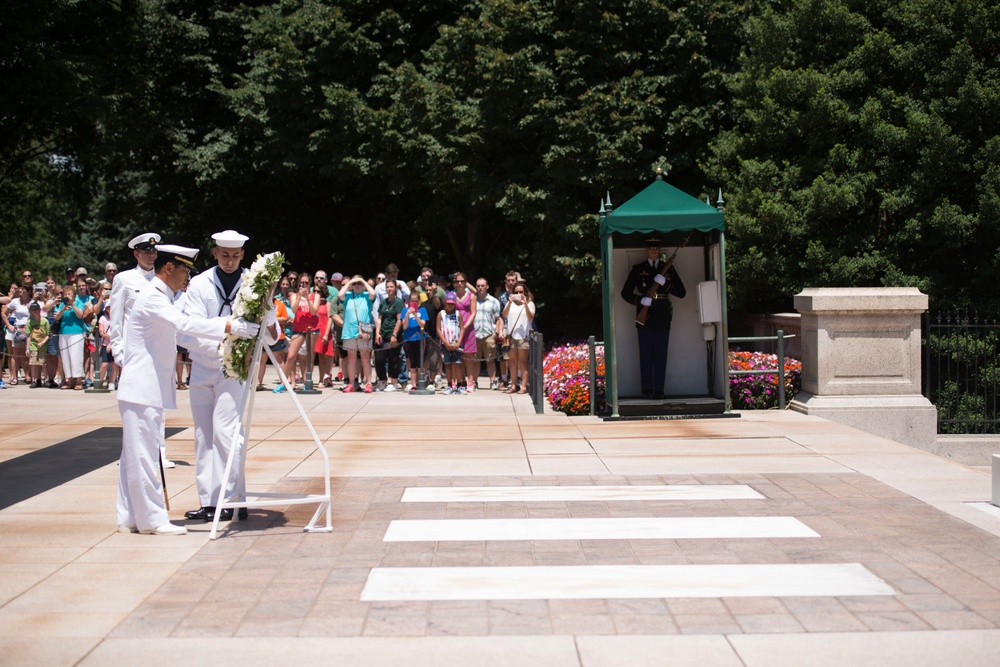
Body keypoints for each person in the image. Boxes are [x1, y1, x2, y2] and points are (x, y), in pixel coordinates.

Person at [116, 244, 259, 536]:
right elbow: (186, 323)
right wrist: (232, 326)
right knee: (143, 456)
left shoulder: (162, 296)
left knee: (134, 455)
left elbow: (187, 320)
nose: (187, 278)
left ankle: (129, 516)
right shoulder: (154, 298)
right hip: (143, 389)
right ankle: (152, 520)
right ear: (169, 269)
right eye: (184, 271)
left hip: (143, 389)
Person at [179, 229, 254, 523]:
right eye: (224, 255)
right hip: (202, 363)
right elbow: (190, 327)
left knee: (227, 431)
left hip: (234, 368)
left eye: (235, 256)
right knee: (203, 435)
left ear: (243, 255)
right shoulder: (199, 284)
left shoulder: (253, 283)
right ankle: (210, 501)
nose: (230, 261)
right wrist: (227, 328)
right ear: (215, 253)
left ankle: (233, 499)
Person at [620, 236, 686, 399]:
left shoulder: (668, 269)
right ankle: (647, 389)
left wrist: (666, 284)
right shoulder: (638, 269)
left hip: (663, 316)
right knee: (646, 354)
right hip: (645, 316)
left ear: (659, 250)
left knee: (661, 355)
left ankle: (659, 390)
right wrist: (640, 300)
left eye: (656, 248)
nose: (653, 251)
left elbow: (682, 292)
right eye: (651, 248)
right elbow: (625, 293)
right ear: (646, 250)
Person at [276, 271, 320, 392]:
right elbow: (294, 309)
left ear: (310, 283)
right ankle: (284, 383)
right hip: (299, 328)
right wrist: (300, 297)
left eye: (306, 283)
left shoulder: (315, 296)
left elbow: (314, 312)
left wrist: (308, 299)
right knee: (291, 356)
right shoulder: (294, 295)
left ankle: (307, 382)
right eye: (302, 283)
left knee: (309, 357)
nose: (304, 285)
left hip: (312, 328)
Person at [338, 274, 375, 393]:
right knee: (351, 358)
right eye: (355, 284)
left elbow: (373, 294)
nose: (357, 286)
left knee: (365, 357)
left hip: (364, 331)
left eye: (359, 284)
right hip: (350, 330)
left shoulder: (366, 296)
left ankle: (368, 382)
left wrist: (363, 281)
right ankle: (351, 382)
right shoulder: (348, 296)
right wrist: (350, 283)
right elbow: (340, 295)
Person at [55, 282, 92, 390]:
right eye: (65, 294)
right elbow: (57, 317)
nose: (67, 296)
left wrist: (73, 305)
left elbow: (81, 315)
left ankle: (79, 380)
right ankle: (69, 380)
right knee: (65, 357)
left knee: (75, 356)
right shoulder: (62, 304)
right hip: (63, 333)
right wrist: (63, 309)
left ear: (74, 294)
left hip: (76, 333)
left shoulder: (79, 302)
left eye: (69, 294)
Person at [502, 280, 535, 394]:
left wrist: (525, 303)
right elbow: (504, 314)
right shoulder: (510, 303)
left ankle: (524, 386)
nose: (519, 294)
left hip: (523, 336)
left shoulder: (530, 304)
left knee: (523, 362)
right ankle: (513, 385)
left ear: (525, 292)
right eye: (516, 292)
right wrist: (510, 302)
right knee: (512, 362)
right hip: (511, 336)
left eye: (521, 291)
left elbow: (530, 317)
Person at [374, 278, 405, 391]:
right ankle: (382, 381)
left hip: (393, 335)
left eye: (391, 287)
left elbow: (399, 319)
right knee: (379, 359)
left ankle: (394, 383)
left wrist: (394, 335)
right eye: (387, 287)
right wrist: (377, 333)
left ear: (395, 287)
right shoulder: (383, 302)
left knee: (394, 359)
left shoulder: (398, 302)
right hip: (383, 334)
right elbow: (379, 319)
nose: (389, 289)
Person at [473, 277, 503, 390]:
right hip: (475, 334)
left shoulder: (494, 301)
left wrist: (496, 333)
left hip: (489, 334)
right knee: (475, 361)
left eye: (482, 285)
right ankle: (474, 382)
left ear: (487, 286)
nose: (480, 288)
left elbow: (498, 319)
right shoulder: (472, 300)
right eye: (478, 286)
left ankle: (492, 381)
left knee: (490, 359)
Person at [450, 272, 478, 391]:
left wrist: (465, 326)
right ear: (454, 283)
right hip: (454, 328)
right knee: (456, 357)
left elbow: (473, 313)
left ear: (466, 282)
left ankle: (471, 382)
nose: (460, 284)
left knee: (468, 356)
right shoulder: (451, 295)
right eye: (457, 281)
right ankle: (459, 381)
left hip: (468, 328)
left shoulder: (471, 295)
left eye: (462, 281)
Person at [438, 292, 465, 394]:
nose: (450, 305)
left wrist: (459, 342)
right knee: (448, 364)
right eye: (448, 303)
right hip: (446, 343)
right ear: (445, 303)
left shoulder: (458, 314)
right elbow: (438, 329)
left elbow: (462, 329)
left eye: (452, 304)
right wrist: (445, 342)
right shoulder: (441, 314)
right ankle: (449, 385)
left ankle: (459, 385)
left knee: (458, 364)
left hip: (456, 343)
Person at [400, 291, 427, 391]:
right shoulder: (404, 310)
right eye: (412, 300)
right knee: (412, 361)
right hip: (409, 338)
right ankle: (414, 384)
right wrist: (407, 314)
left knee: (420, 361)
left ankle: (421, 382)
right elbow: (405, 326)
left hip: (420, 338)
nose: (414, 302)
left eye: (416, 300)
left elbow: (422, 325)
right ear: (409, 301)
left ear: (419, 301)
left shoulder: (422, 310)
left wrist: (415, 315)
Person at [25, 302, 50, 388]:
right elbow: (28, 335)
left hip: (43, 344)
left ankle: (46, 379)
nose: (35, 311)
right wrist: (27, 348)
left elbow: (48, 334)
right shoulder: (30, 322)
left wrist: (43, 342)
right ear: (31, 311)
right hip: (33, 344)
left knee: (43, 362)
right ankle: (34, 379)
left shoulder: (45, 321)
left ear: (40, 310)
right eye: (33, 310)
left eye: (36, 309)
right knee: (33, 363)